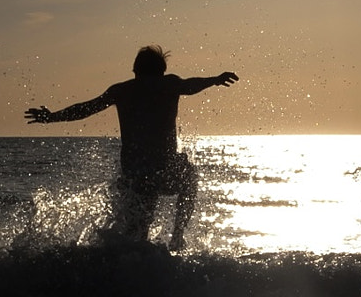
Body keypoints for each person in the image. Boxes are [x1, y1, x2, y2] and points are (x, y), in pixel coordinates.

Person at [25, 46, 238, 248]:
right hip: (163, 171)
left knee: (136, 234)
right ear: (162, 71)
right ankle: (177, 235)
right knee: (189, 175)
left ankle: (125, 268)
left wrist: (51, 117)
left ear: (135, 69)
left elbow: (86, 109)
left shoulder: (122, 90)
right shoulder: (168, 85)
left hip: (135, 174)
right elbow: (192, 85)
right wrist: (215, 80)